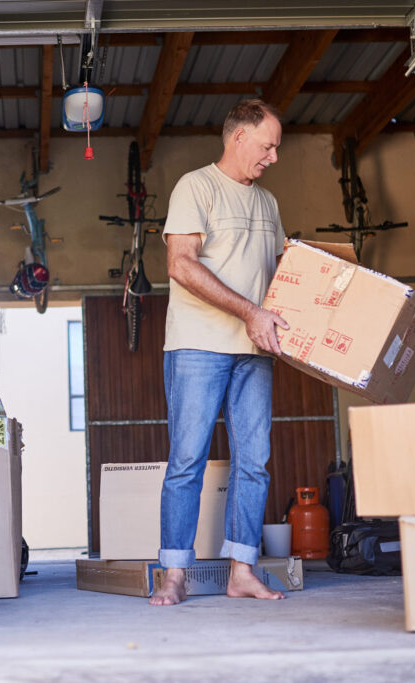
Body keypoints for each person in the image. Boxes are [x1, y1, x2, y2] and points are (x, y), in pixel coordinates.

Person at [149, 99, 289, 607]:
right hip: (198, 345)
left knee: (255, 462)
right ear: (239, 138)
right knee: (187, 460)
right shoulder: (196, 187)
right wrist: (249, 311)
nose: (273, 156)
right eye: (268, 145)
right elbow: (181, 264)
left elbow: (279, 278)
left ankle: (242, 572)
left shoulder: (268, 204)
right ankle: (175, 575)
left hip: (255, 350)